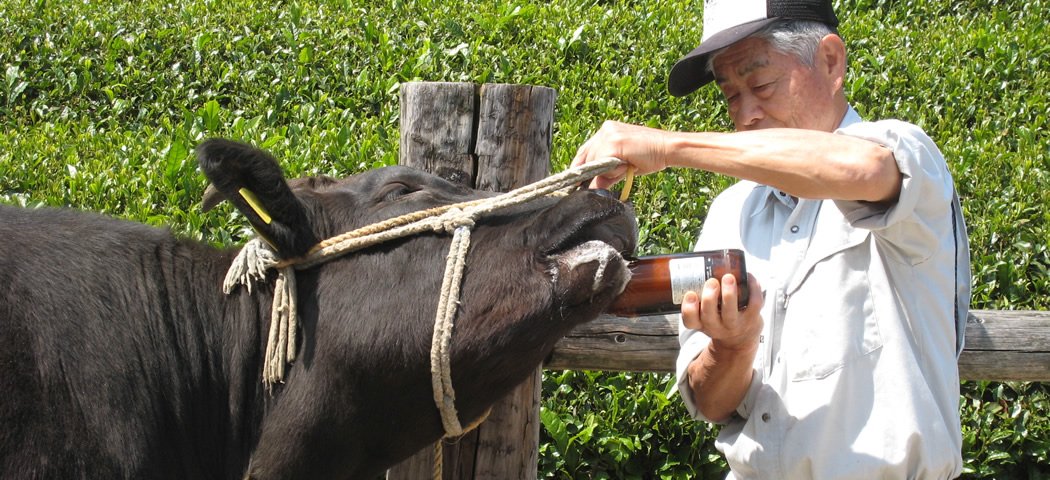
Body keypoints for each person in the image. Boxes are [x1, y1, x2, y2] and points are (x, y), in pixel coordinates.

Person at [572, 0, 972, 478]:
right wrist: (732, 348)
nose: (745, 115)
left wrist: (668, 145)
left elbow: (859, 167)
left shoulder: (903, 154)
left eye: (760, 84)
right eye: (730, 95)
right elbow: (710, 403)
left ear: (830, 61)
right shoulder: (730, 210)